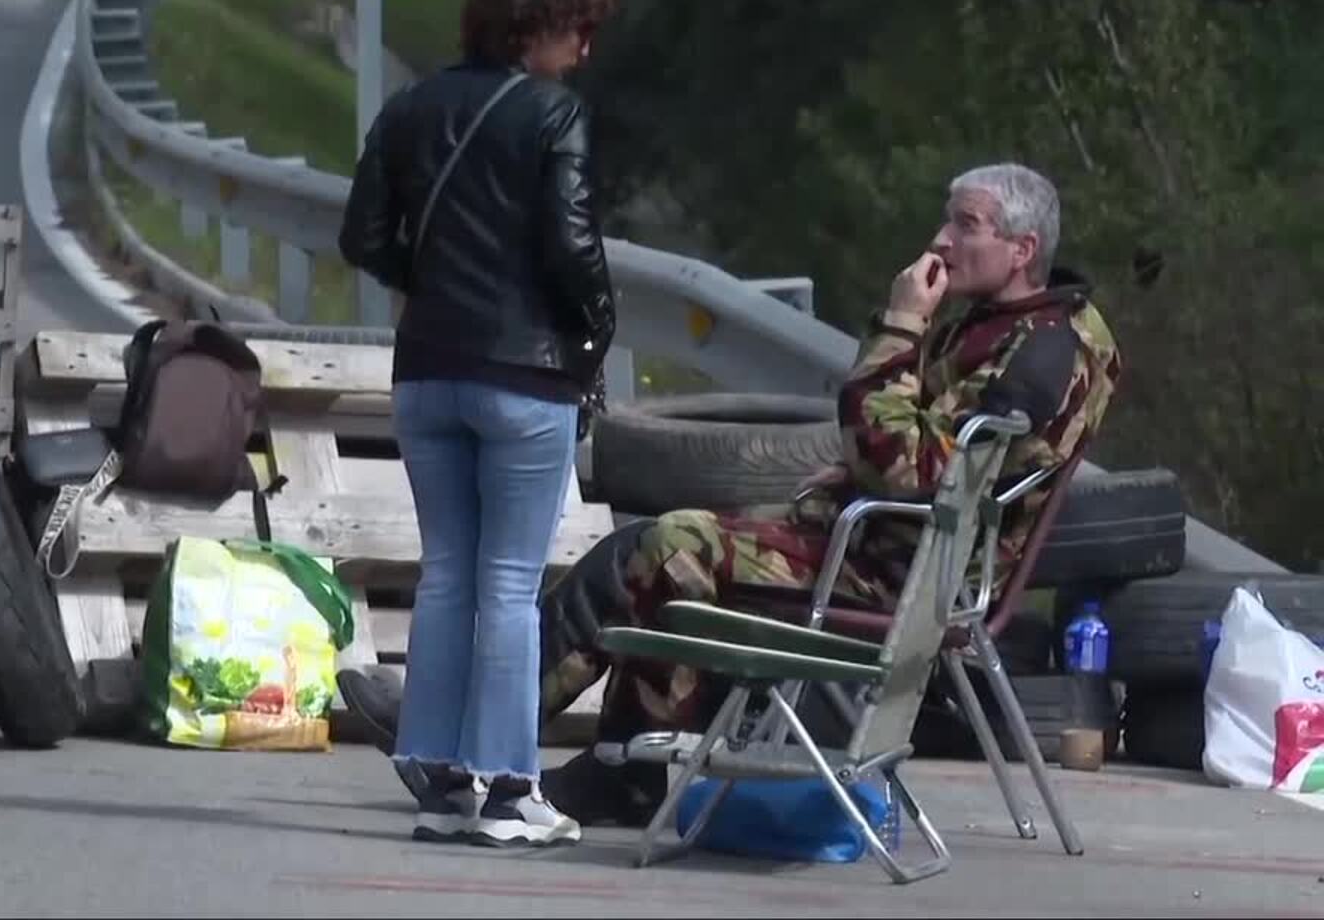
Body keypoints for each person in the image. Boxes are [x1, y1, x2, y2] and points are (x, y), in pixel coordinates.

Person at [340, 161, 1122, 827]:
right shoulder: (1010, 323)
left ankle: (482, 744)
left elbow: (912, 467)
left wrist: (899, 325)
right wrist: (858, 470)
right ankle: (610, 761)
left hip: (903, 573)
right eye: (947, 221)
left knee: (668, 548)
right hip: (888, 542)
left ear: (1022, 249)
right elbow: (922, 456)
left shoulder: (1041, 354)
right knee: (652, 551)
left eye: (967, 226)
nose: (943, 240)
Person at [338, 0, 618, 848]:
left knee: (449, 571)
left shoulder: (411, 107)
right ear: (539, 30)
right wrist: (595, 328)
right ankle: (508, 786)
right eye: (578, 30)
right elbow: (570, 244)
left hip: (426, 370)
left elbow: (362, 236)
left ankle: (440, 768)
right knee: (508, 581)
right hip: (523, 374)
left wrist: (427, 275)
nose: (584, 51)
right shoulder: (551, 116)